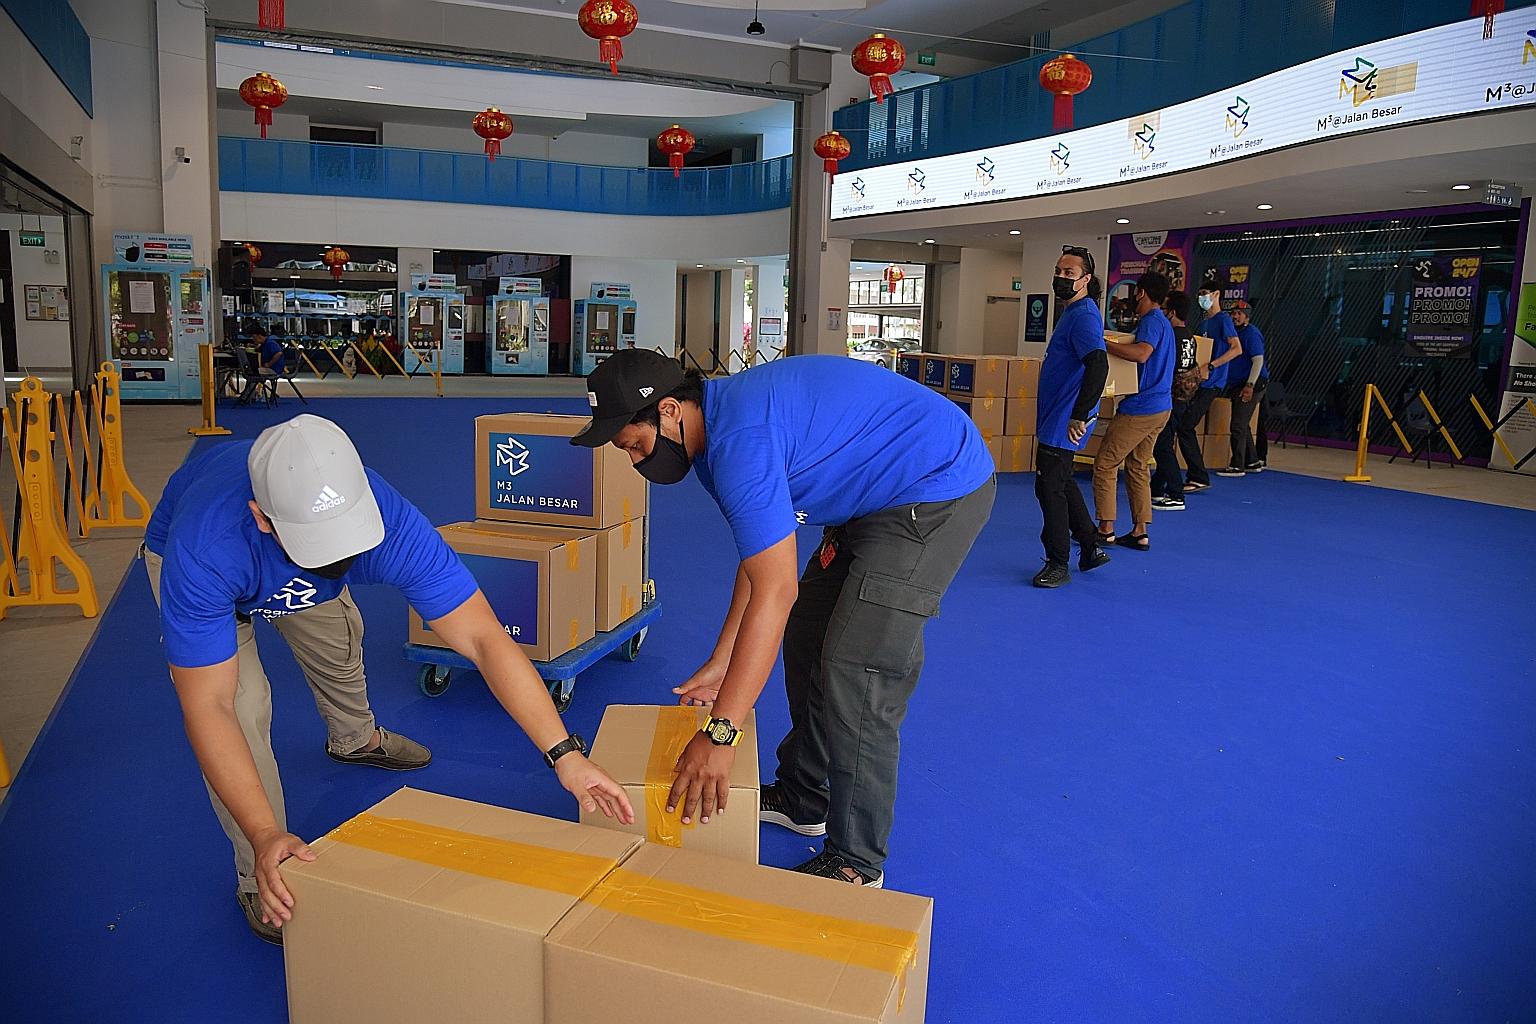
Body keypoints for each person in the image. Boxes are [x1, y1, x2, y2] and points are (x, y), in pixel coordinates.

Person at [144, 415, 631, 943]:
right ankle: (260, 869)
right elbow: (208, 706)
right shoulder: (205, 551)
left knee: (340, 637)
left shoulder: (388, 519)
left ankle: (355, 739)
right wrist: (264, 834)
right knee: (245, 704)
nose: (340, 555)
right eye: (321, 546)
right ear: (263, 518)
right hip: (209, 571)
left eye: (346, 540)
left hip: (282, 563)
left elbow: (484, 639)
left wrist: (565, 754)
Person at [571, 350, 994, 888]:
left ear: (670, 411)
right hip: (869, 494)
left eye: (634, 444)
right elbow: (760, 562)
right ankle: (803, 796)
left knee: (855, 666)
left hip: (933, 486)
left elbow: (774, 593)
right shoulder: (710, 435)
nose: (635, 461)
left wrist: (721, 733)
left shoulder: (738, 443)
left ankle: (857, 861)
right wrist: (723, 660)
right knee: (807, 637)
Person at [1032, 244, 1111, 589]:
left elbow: (1099, 363)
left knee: (1049, 487)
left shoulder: (1083, 316)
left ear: (1086, 280)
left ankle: (1058, 562)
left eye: (1069, 274)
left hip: (1065, 419)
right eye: (1058, 271)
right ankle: (1090, 546)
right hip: (1058, 415)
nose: (1061, 278)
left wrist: (1079, 415)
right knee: (1061, 481)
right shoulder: (1073, 312)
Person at [1092, 271, 1175, 551]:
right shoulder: (1165, 324)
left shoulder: (1151, 321)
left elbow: (1142, 354)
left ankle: (1105, 528)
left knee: (1105, 463)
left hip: (1141, 407)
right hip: (1162, 406)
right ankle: (1140, 530)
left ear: (1141, 292)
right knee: (1138, 465)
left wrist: (1105, 345)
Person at [1178, 285, 1243, 492]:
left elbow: (1237, 348)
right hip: (1199, 381)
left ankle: (1198, 475)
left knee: (1186, 425)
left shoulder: (1223, 320)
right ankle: (1195, 474)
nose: (1202, 298)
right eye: (1199, 294)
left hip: (1213, 382)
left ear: (1216, 295)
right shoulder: (1204, 323)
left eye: (1205, 294)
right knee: (1183, 424)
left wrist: (1212, 365)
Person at [1151, 290, 1200, 511]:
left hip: (1170, 396)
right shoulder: (1189, 336)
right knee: (1166, 442)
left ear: (1171, 312)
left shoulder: (1172, 336)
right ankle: (1157, 488)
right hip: (1185, 396)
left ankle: (1176, 492)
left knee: (1162, 445)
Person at [1221, 299, 1269, 475]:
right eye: (1233, 313)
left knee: (1238, 425)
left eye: (1238, 314)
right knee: (1243, 423)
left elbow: (1258, 360)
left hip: (1252, 383)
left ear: (1247, 317)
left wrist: (1250, 385)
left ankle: (1237, 465)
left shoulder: (1251, 334)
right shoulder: (1234, 333)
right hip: (1238, 383)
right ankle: (1252, 461)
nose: (1235, 316)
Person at [240, 327, 286, 403]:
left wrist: (269, 364)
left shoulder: (270, 343)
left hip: (274, 369)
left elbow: (279, 353)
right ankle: (248, 395)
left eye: (254, 338)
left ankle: (247, 396)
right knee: (252, 373)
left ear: (260, 336)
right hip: (270, 368)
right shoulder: (264, 344)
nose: (254, 340)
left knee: (254, 375)